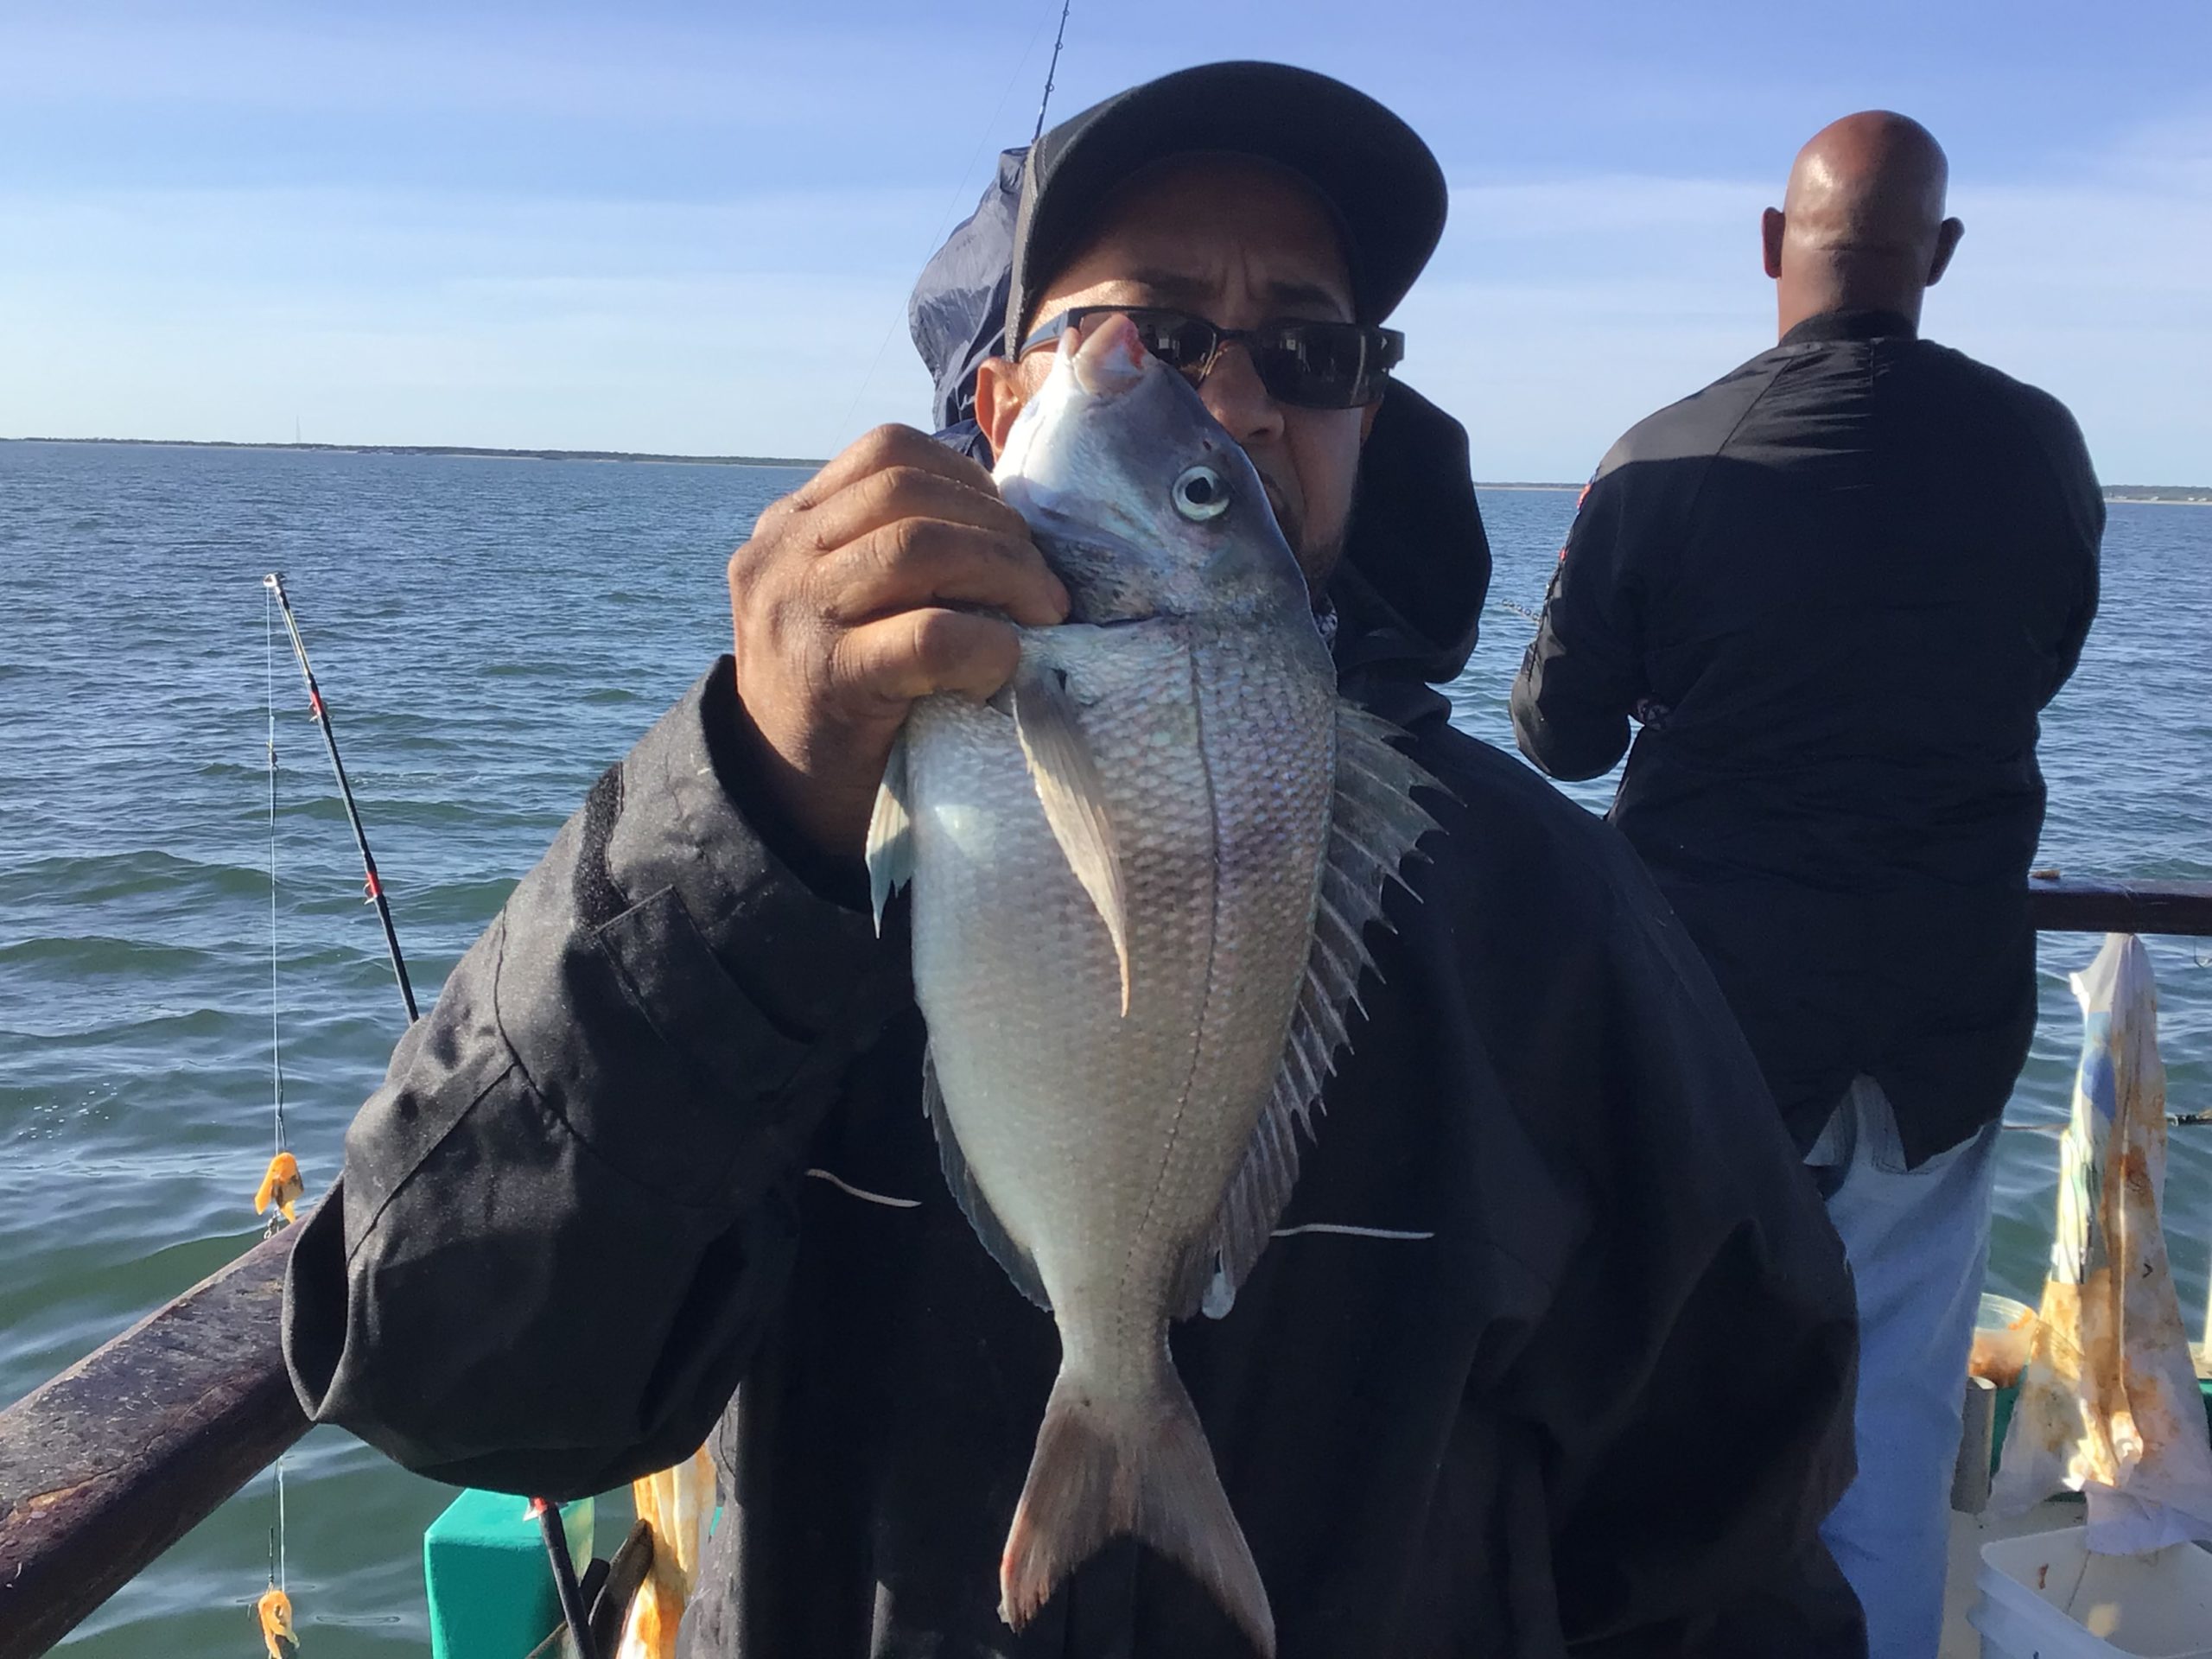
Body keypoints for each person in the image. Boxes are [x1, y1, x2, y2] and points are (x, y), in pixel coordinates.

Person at [284, 63, 1864, 1657]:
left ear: (1365, 418)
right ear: (996, 412)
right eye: (1154, 334)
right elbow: (447, 1374)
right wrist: (746, 801)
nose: (1235, 401)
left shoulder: (1548, 913)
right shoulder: (778, 836)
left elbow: (1731, 1521)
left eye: (1310, 353)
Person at [1511, 111, 2102, 1658]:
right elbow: (2046, 659)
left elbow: (1560, 738)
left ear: (1775, 244)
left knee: (1665, 1411)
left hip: (1703, 1028)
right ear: (1939, 257)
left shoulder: (1662, 457)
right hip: (1941, 1021)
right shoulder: (2042, 448)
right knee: (1892, 1429)